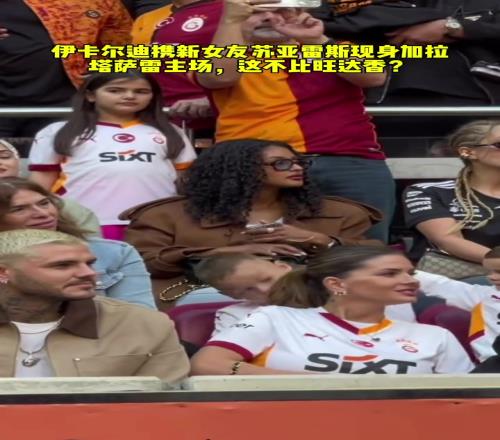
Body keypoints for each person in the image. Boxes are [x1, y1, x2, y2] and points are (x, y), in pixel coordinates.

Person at [195, 1, 395, 242]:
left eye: (281, 11)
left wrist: (316, 41)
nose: (269, 18)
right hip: (255, 164)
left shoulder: (329, 47)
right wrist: (231, 22)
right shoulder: (219, 53)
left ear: (301, 14)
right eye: (255, 13)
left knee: (365, 249)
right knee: (261, 248)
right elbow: (219, 76)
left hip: (348, 160)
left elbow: (373, 76)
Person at [123, 139, 382, 309]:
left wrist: (317, 240)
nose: (297, 168)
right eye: (282, 163)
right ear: (240, 170)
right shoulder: (166, 214)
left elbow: (379, 260)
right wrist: (223, 252)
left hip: (317, 302)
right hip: (206, 300)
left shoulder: (340, 212)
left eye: (299, 162)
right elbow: (139, 263)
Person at [190, 245, 474, 375]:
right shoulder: (274, 318)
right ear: (336, 284)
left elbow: (466, 398)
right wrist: (323, 386)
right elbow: (207, 365)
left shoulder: (436, 336)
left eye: (409, 273)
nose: (411, 281)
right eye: (389, 274)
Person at [0, 229, 189, 380]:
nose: (88, 273)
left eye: (89, 263)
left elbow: (167, 404)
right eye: (62, 265)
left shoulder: (145, 325)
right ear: (3, 272)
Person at [28, 71, 197, 240]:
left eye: (141, 91)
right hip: (83, 223)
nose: (129, 96)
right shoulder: (58, 131)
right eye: (115, 90)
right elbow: (40, 183)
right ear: (90, 95)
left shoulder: (171, 132)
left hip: (157, 225)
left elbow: (186, 181)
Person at [0, 177, 156, 309]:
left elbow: (142, 317)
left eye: (44, 203)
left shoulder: (114, 253)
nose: (43, 214)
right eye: (19, 209)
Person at [195, 252, 418, 336]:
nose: (264, 290)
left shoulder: (374, 291)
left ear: (283, 266)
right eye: (246, 290)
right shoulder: (237, 317)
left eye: (266, 279)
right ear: (232, 296)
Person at [0, 0, 133, 138]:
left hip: (67, 102)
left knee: (63, 149)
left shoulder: (101, 3)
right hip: (4, 99)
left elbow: (123, 51)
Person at [403, 120, 500, 268]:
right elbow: (448, 240)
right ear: (468, 152)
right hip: (455, 275)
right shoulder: (427, 191)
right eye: (499, 145)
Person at [131, 0, 220, 131]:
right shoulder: (147, 18)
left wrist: (210, 100)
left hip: (213, 122)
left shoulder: (233, 11)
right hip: (155, 122)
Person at [415, 246, 500, 362]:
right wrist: (408, 273)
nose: (492, 277)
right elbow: (440, 285)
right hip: (491, 363)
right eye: (489, 271)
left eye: (499, 272)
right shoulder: (482, 296)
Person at [0, 139, 101, 236]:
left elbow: (92, 241)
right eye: (18, 209)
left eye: (4, 156)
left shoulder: (67, 208)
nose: (43, 213)